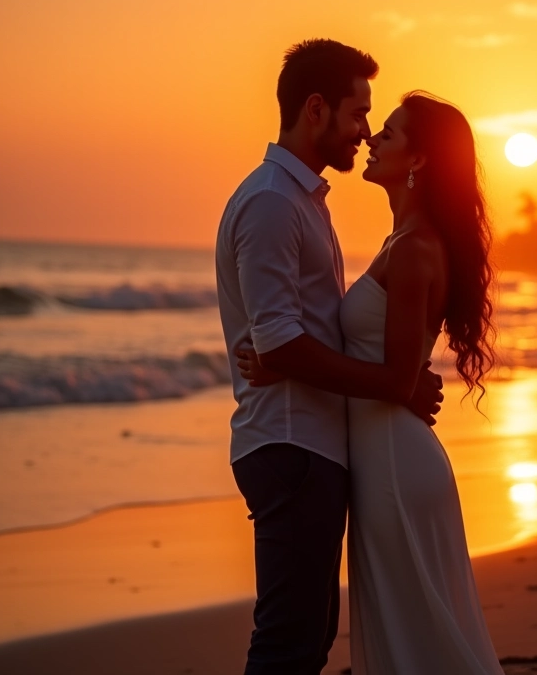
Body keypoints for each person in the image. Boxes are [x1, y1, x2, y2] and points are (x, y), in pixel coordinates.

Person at [241, 91, 504, 674]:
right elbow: (390, 370)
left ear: (420, 161)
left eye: (388, 132)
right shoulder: (402, 243)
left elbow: (396, 377)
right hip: (384, 459)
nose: (371, 138)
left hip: (393, 465)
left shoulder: (414, 250)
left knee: (419, 636)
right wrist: (287, 359)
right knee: (410, 631)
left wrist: (283, 359)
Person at [215, 40, 443, 675]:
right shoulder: (271, 203)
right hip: (291, 445)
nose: (365, 131)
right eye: (358, 112)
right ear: (315, 109)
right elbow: (281, 340)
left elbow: (290, 337)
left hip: (313, 447)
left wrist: (293, 356)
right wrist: (394, 384)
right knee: (288, 644)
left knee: (308, 641)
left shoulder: (303, 201)